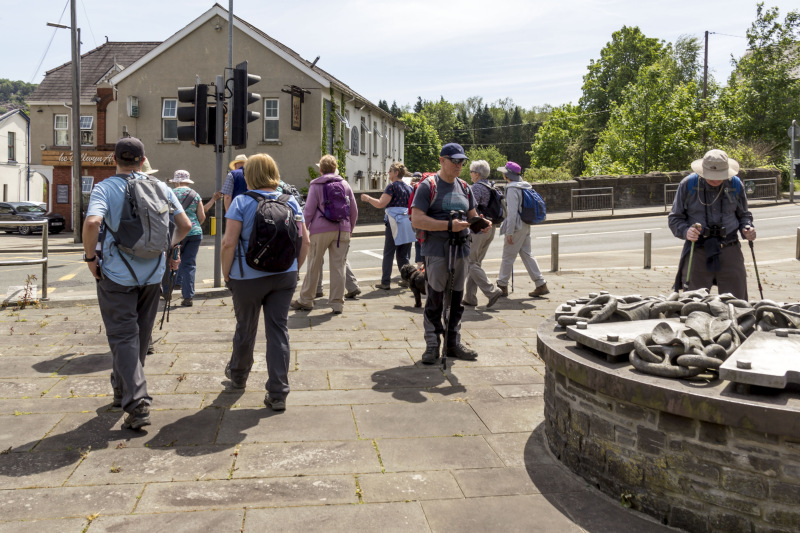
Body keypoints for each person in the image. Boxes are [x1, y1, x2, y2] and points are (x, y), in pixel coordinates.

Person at [82, 137, 191, 430]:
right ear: (143, 160)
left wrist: (90, 258)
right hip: (154, 274)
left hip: (117, 273)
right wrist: (166, 247)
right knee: (141, 336)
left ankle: (138, 401)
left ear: (114, 159)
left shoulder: (105, 187)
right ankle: (122, 387)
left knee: (122, 335)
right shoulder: (162, 187)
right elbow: (186, 226)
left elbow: (92, 223)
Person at [221, 153, 309, 411]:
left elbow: (228, 243)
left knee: (245, 328)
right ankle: (278, 392)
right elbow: (306, 242)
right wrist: (293, 269)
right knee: (278, 331)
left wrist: (227, 274)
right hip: (285, 276)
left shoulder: (240, 202)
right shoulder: (291, 201)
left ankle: (238, 377)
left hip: (247, 277)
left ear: (250, 175)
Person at [411, 143, 490, 364]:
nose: (459, 165)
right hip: (436, 251)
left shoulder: (465, 187)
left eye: (461, 161)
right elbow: (416, 219)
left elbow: (472, 214)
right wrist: (448, 225)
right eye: (454, 161)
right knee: (435, 299)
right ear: (442, 160)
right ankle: (432, 344)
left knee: (456, 300)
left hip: (461, 249)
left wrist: (481, 223)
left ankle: (453, 343)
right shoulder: (428, 186)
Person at [668, 149, 756, 300]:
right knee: (694, 302)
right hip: (698, 249)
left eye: (720, 176)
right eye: (711, 176)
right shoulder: (688, 184)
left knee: (737, 302)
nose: (716, 180)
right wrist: (685, 231)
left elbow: (744, 215)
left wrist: (747, 228)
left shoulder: (735, 184)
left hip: (729, 247)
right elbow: (675, 218)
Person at [291, 155, 358, 314]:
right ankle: (337, 304)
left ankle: (306, 300)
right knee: (338, 267)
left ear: (320, 169)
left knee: (313, 264)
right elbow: (354, 210)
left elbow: (308, 211)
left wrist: (303, 231)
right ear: (335, 168)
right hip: (342, 229)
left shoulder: (316, 185)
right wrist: (350, 229)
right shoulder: (345, 184)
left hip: (320, 230)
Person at [496, 161, 549, 298]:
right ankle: (540, 283)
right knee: (527, 254)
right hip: (525, 225)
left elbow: (512, 213)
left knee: (508, 255)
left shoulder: (512, 189)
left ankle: (502, 285)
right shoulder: (525, 186)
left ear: (508, 175)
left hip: (516, 227)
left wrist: (509, 232)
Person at [361, 162, 414, 290]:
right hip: (407, 221)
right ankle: (407, 280)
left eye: (390, 170)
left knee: (389, 252)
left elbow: (380, 203)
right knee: (403, 254)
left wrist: (368, 198)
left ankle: (385, 282)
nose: (388, 172)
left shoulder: (392, 187)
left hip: (394, 222)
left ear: (396, 173)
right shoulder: (409, 188)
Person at [163, 170, 209, 307]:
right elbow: (202, 217)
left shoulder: (170, 193)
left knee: (170, 263)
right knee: (189, 264)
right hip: (194, 233)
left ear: (176, 181)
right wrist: (193, 226)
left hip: (175, 233)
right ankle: (188, 297)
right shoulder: (195, 195)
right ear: (188, 181)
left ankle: (167, 293)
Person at [463, 160, 503, 308]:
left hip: (478, 229)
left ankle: (492, 291)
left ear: (477, 174)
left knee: (470, 262)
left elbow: (469, 208)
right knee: (476, 263)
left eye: (471, 172)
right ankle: (470, 298)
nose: (470, 174)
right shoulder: (492, 186)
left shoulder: (475, 188)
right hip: (490, 228)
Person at [410, 172, 425, 268]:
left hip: (418, 219)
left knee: (418, 241)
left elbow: (410, 204)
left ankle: (420, 266)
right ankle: (422, 265)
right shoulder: (425, 187)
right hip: (424, 218)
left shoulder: (415, 189)